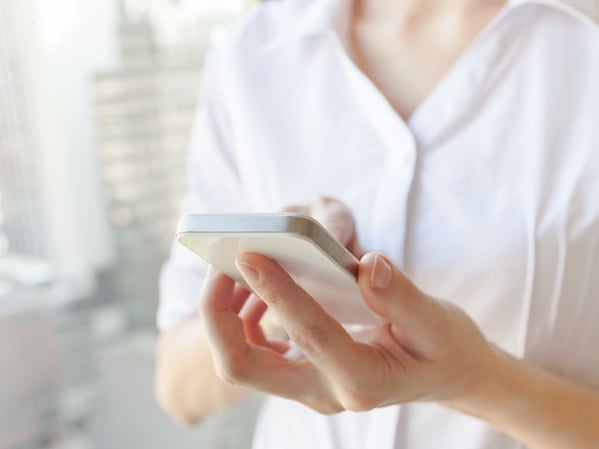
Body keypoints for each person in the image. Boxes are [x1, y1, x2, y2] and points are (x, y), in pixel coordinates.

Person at [154, 0, 599, 447]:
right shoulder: (253, 52)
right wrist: (281, 298)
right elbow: (176, 386)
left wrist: (474, 380)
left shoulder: (583, 41)